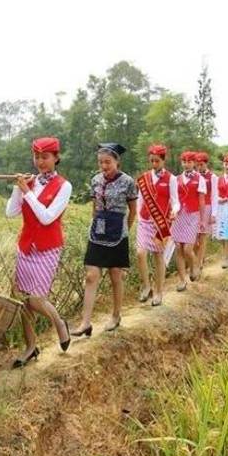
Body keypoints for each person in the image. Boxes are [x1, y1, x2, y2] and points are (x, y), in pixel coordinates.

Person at [5, 137, 73, 368]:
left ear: (56, 158)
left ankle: (59, 323)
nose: (40, 162)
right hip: (26, 246)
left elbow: (46, 217)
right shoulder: (30, 183)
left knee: (36, 299)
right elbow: (10, 213)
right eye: (37, 157)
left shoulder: (64, 186)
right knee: (23, 300)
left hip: (48, 248)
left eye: (45, 157)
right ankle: (31, 346)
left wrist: (28, 193)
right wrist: (18, 189)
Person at [72, 143, 137, 337]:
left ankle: (116, 315)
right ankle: (85, 322)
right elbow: (95, 206)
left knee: (115, 275)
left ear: (117, 161)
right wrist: (93, 224)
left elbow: (133, 210)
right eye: (101, 162)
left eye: (108, 162)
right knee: (91, 275)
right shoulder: (95, 180)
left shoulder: (127, 182)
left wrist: (126, 228)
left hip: (118, 229)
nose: (104, 166)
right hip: (98, 228)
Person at [135, 144, 179, 306]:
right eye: (151, 161)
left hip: (161, 223)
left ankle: (159, 292)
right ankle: (146, 286)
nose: (154, 164)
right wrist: (140, 217)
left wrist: (174, 211)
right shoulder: (145, 177)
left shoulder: (171, 179)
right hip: (145, 221)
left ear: (163, 160)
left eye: (157, 161)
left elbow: (176, 202)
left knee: (158, 257)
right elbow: (140, 199)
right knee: (140, 253)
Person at [171, 151, 207, 291]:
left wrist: (203, 220)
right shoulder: (176, 179)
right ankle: (182, 280)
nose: (187, 164)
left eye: (189, 161)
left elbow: (202, 201)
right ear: (182, 163)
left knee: (187, 249)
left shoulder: (200, 179)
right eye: (184, 161)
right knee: (178, 248)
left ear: (194, 163)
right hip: (179, 216)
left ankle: (195, 265)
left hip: (193, 215)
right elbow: (173, 199)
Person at [192, 151, 218, 278]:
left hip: (207, 208)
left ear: (206, 164)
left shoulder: (212, 177)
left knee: (202, 237)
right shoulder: (194, 176)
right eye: (197, 164)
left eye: (201, 164)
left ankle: (199, 263)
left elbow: (214, 196)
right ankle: (196, 260)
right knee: (194, 238)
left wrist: (214, 214)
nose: (199, 167)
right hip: (194, 209)